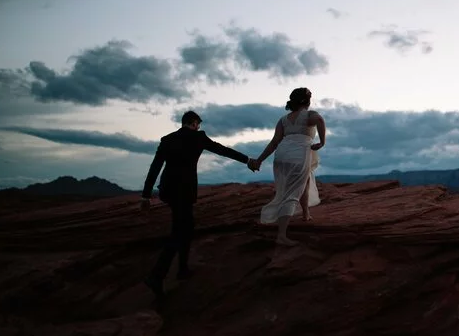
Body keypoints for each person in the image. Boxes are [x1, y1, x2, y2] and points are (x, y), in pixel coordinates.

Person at [140, 110, 259, 297]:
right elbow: (222, 150)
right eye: (198, 124)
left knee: (186, 227)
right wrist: (247, 160)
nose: (199, 127)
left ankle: (182, 269)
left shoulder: (167, 139)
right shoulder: (198, 137)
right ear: (194, 123)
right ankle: (157, 275)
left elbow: (155, 167)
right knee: (179, 232)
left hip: (168, 190)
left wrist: (145, 195)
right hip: (184, 191)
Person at [252, 87, 326, 246]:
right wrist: (322, 142)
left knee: (302, 182)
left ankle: (306, 213)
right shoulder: (309, 115)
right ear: (307, 101)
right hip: (298, 154)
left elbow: (274, 142)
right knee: (292, 193)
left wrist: (259, 160)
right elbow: (320, 120)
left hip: (282, 155)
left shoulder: (284, 120)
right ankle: (281, 235)